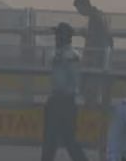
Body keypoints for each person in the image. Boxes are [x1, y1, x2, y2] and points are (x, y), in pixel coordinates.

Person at [42, 23, 88, 161]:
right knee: (50, 139)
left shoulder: (72, 55)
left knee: (68, 139)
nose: (56, 38)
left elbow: (74, 80)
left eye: (59, 35)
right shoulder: (56, 53)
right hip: (55, 98)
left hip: (66, 100)